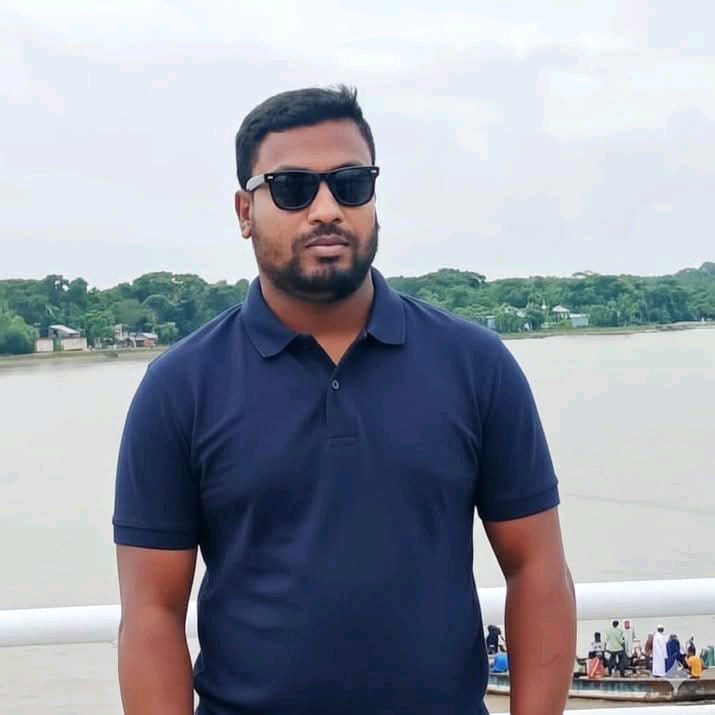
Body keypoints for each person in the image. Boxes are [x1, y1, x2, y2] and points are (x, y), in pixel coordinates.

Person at [113, 85, 576, 715]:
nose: (327, 209)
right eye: (293, 188)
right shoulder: (179, 388)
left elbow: (538, 569)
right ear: (245, 211)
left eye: (352, 184)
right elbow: (151, 613)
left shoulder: (475, 365)